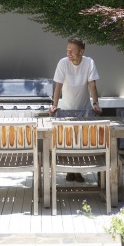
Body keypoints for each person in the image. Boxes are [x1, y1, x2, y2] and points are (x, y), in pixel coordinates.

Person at [49, 37, 102, 182]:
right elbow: (58, 86)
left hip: (84, 109)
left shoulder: (89, 62)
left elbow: (92, 85)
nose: (69, 53)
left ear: (81, 51)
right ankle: (69, 171)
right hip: (66, 108)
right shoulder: (63, 63)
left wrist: (95, 103)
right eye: (67, 50)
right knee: (68, 142)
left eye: (72, 50)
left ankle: (78, 171)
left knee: (81, 142)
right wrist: (54, 105)